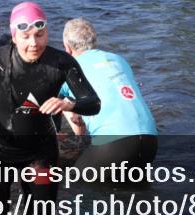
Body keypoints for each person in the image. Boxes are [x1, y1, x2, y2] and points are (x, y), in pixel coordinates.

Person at [0, 2, 100, 215]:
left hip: (40, 152)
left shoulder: (62, 63)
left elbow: (93, 103)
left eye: (40, 35)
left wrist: (69, 103)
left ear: (47, 33)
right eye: (26, 36)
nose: (33, 43)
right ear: (14, 36)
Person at [60, 18, 157, 168]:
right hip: (150, 141)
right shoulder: (119, 60)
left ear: (67, 48)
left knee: (73, 184)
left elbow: (47, 98)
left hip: (114, 145)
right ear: (94, 41)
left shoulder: (70, 68)